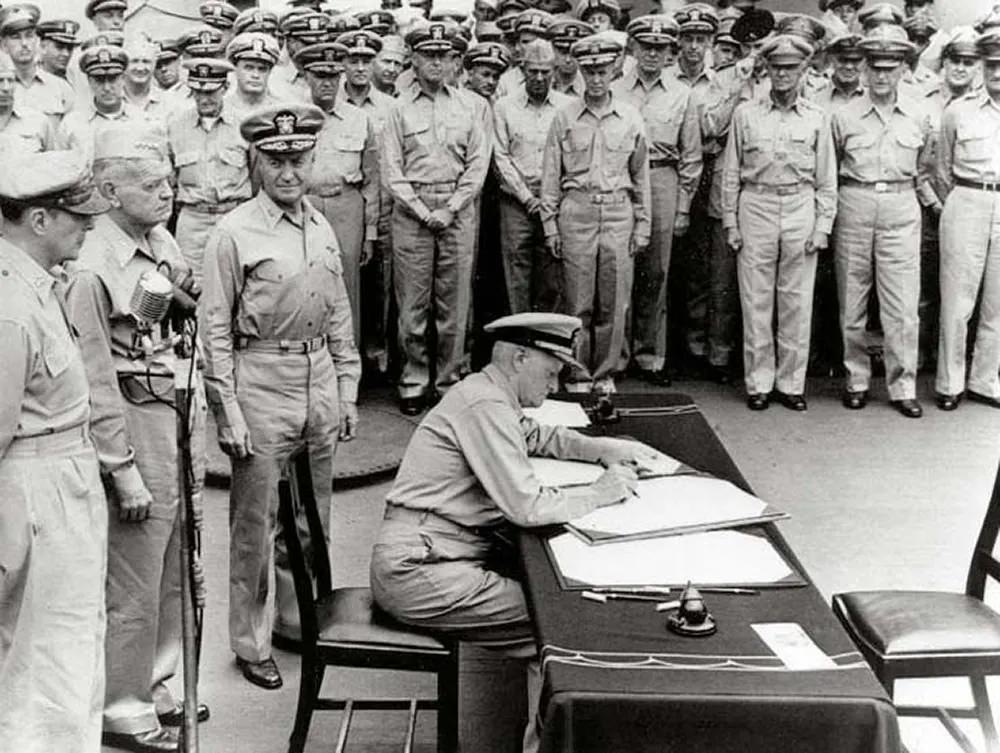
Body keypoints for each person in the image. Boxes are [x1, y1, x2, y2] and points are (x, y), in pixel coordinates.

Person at [369, 311, 675, 753]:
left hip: (433, 551)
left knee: (551, 601)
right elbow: (526, 506)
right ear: (518, 359)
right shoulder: (484, 405)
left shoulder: (488, 395)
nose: (553, 386)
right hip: (420, 568)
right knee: (553, 629)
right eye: (550, 373)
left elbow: (535, 436)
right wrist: (600, 493)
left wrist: (600, 448)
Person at [200, 102, 361, 691]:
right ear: (256, 162)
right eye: (276, 160)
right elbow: (214, 329)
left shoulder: (318, 223)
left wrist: (347, 388)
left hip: (316, 373)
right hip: (261, 376)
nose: (289, 172)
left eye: (298, 159)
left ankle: (302, 621)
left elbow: (338, 311)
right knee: (257, 523)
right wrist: (229, 411)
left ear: (312, 159)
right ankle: (250, 641)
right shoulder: (233, 232)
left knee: (313, 513)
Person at [65, 125, 208, 753]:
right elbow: (94, 378)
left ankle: (158, 679)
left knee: (174, 562)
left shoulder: (156, 236)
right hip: (131, 420)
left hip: (172, 414)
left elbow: (173, 300)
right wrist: (119, 469)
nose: (166, 193)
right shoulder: (91, 266)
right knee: (132, 576)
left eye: (168, 182)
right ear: (109, 189)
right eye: (150, 185)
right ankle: (122, 705)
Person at [0, 151, 110, 753]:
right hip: (38, 491)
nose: (88, 227)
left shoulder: (38, 286)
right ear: (38, 220)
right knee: (45, 667)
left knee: (70, 653)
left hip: (62, 476)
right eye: (76, 216)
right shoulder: (11, 303)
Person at [721, 33, 837, 411]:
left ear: (804, 70)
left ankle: (790, 383)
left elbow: (826, 178)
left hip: (800, 205)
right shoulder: (746, 114)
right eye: (777, 68)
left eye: (791, 68)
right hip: (757, 204)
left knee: (796, 300)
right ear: (766, 70)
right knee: (755, 299)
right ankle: (758, 382)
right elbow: (731, 174)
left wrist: (822, 226)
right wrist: (731, 224)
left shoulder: (818, 118)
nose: (784, 75)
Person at [382, 21, 491, 415]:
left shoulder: (471, 107)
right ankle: (414, 380)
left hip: (457, 211)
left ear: (455, 61)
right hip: (413, 213)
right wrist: (424, 210)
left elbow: (478, 164)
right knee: (412, 307)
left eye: (444, 56)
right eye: (428, 55)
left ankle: (448, 381)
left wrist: (451, 207)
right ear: (412, 58)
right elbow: (392, 170)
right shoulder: (397, 110)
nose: (436, 63)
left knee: (454, 305)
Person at [831, 25, 937, 418]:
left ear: (903, 70)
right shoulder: (843, 116)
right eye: (874, 67)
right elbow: (833, 162)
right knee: (852, 300)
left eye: (889, 69)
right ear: (863, 69)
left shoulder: (920, 115)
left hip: (900, 202)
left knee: (902, 304)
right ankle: (856, 379)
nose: (880, 76)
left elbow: (927, 165)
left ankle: (902, 385)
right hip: (855, 200)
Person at [540, 33, 650, 394]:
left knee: (614, 300)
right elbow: (551, 175)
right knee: (577, 300)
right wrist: (550, 225)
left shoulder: (630, 117)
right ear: (582, 73)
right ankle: (577, 373)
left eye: (603, 70)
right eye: (590, 71)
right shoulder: (565, 116)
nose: (597, 78)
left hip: (618, 212)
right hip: (578, 212)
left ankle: (604, 373)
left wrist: (642, 224)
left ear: (615, 70)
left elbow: (641, 175)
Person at [613, 14, 702, 384]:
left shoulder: (683, 94)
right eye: (645, 47)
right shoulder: (616, 88)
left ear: (670, 51)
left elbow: (692, 156)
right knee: (618, 270)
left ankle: (650, 355)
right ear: (633, 48)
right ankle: (615, 356)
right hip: (621, 180)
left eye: (660, 48)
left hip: (663, 177)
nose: (652, 54)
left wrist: (682, 207)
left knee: (655, 272)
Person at [297, 40, 379, 353]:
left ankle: (347, 368)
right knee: (305, 285)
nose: (328, 84)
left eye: (333, 76)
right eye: (320, 76)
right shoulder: (295, 118)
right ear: (307, 76)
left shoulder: (359, 119)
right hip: (305, 205)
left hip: (348, 209)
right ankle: (312, 365)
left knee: (347, 291)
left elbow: (372, 180)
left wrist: (370, 233)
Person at [933, 26, 1000, 411]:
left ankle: (985, 380)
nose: (996, 74)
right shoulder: (958, 111)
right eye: (990, 66)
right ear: (981, 68)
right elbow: (941, 170)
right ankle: (950, 382)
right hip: (967, 198)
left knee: (997, 302)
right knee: (958, 301)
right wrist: (962, 200)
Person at [493, 39, 573, 314]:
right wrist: (528, 198)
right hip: (516, 201)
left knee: (552, 272)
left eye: (545, 71)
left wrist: (550, 198)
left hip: (555, 202)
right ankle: (519, 341)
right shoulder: (504, 107)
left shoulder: (568, 107)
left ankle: (546, 343)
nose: (539, 78)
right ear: (522, 69)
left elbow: (571, 157)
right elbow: (500, 157)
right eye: (533, 71)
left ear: (555, 70)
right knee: (516, 274)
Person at [167, 57, 250, 285]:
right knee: (189, 287)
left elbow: (258, 176)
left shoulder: (243, 125)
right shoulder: (176, 125)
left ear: (225, 88)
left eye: (211, 93)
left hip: (233, 215)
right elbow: (168, 180)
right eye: (197, 92)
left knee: (236, 283)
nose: (204, 99)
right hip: (192, 220)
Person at [58, 45, 147, 164]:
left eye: (113, 79)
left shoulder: (142, 120)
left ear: (123, 79)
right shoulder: (71, 124)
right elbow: (61, 169)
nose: (107, 88)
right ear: (89, 81)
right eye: (99, 80)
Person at [2, 5, 75, 128]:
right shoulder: (3, 88)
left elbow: (71, 136)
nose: (24, 43)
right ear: (4, 45)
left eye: (29, 36)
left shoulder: (61, 88)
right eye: (16, 37)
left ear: (37, 40)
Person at [0, 49, 54, 155]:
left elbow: (53, 165)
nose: (6, 88)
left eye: (10, 80)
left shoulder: (38, 122)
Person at [224, 32, 281, 122]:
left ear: (270, 72)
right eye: (248, 68)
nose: (255, 75)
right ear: (235, 69)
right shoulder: (221, 109)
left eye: (262, 69)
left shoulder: (282, 110)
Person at [123, 38, 172, 121]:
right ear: (124, 64)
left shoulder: (169, 102)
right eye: (134, 61)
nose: (140, 68)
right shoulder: (112, 100)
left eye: (146, 62)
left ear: (154, 64)